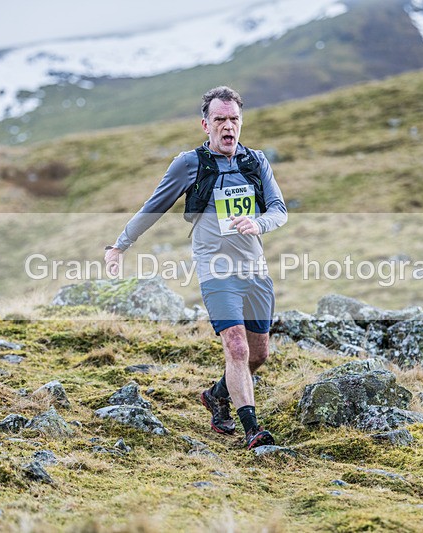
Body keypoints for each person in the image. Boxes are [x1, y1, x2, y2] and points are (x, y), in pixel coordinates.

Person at [104, 86, 287, 449]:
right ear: (206, 124)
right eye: (220, 119)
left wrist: (259, 223)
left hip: (255, 271)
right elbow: (153, 207)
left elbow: (279, 210)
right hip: (216, 270)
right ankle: (253, 430)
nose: (228, 126)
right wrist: (119, 245)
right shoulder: (190, 164)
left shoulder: (256, 162)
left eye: (234, 119)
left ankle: (218, 395)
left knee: (258, 354)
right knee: (236, 348)